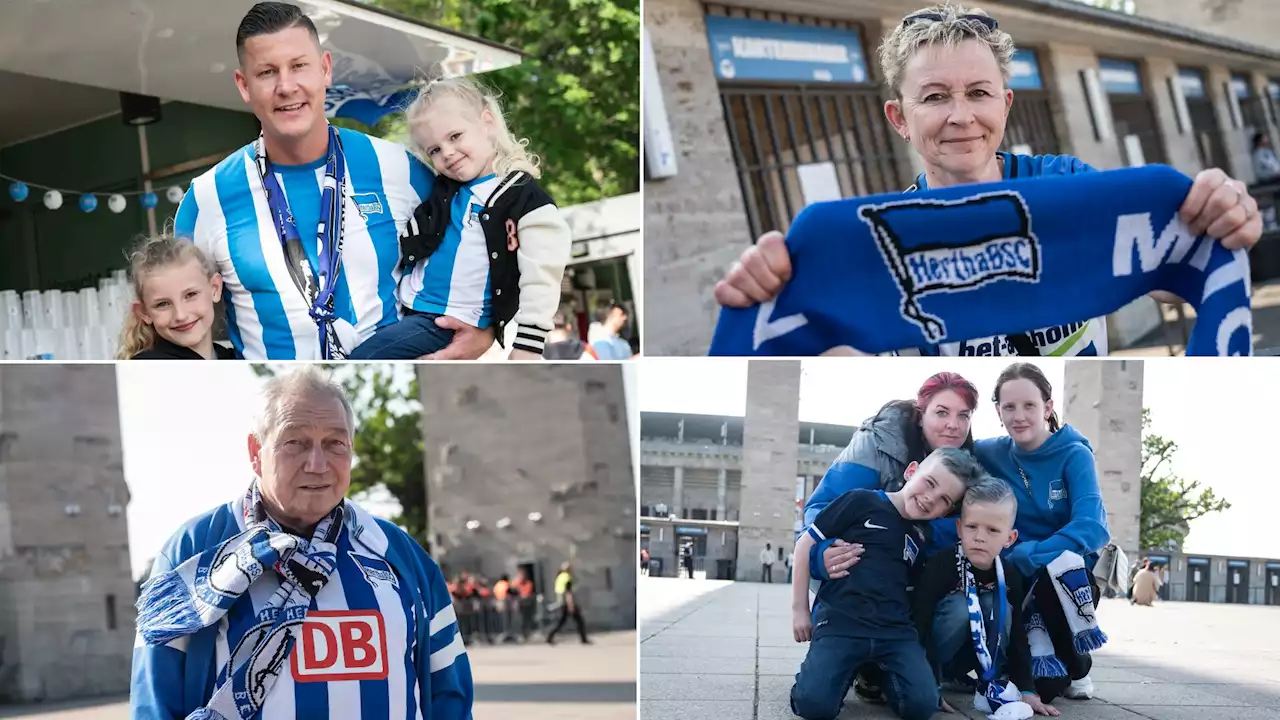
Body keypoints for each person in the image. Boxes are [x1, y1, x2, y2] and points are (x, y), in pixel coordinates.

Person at [713, 3, 1263, 357]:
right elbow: (837, 359)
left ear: (1005, 104)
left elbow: (1169, 274)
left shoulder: (1069, 188)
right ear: (898, 118)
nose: (961, 116)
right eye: (934, 97)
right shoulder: (876, 241)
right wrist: (772, 296)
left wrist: (1214, 219)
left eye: (979, 93)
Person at [130, 367, 470, 719]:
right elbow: (155, 700)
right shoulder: (194, 551)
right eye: (296, 443)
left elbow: (449, 691)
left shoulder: (399, 553)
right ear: (255, 451)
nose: (318, 464)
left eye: (335, 444)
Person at [176, 2, 492, 360]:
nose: (286, 86)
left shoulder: (402, 169)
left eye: (299, 66)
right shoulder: (205, 201)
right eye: (266, 73)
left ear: (325, 69)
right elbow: (179, 319)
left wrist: (486, 329)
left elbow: (477, 249)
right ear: (244, 85)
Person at [349, 76, 571, 360]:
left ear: (487, 122)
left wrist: (527, 346)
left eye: (455, 137)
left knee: (364, 359)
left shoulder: (522, 199)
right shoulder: (445, 190)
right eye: (435, 150)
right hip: (407, 308)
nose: (448, 153)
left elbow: (542, 275)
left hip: (443, 321)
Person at [806, 371, 980, 704]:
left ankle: (913, 671)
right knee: (817, 697)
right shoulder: (876, 442)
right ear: (921, 411)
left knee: (960, 602)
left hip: (912, 573)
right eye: (941, 412)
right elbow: (823, 506)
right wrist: (821, 553)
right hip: (856, 565)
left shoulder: (968, 465)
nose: (953, 425)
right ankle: (845, 659)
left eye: (964, 416)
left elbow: (968, 528)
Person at [789, 448, 983, 720]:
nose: (930, 499)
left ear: (946, 511)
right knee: (814, 706)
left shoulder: (922, 535)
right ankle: (834, 674)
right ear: (912, 471)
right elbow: (803, 545)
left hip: (894, 633)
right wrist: (800, 610)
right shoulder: (860, 501)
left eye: (943, 500)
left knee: (923, 707)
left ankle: (881, 676)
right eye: (930, 483)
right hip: (841, 623)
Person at [974, 362, 1110, 702]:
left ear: (1048, 407)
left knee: (1052, 577)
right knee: (1044, 691)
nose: (1019, 415)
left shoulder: (1074, 455)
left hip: (1065, 576)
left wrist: (1027, 553)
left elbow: (1091, 528)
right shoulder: (989, 452)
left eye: (1029, 405)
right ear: (998, 411)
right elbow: (942, 452)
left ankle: (1079, 664)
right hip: (1016, 577)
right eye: (1009, 407)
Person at [912, 478, 1050, 717]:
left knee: (995, 603)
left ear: (1010, 538)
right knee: (961, 606)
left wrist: (1027, 688)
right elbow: (918, 625)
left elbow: (1018, 634)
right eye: (972, 527)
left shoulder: (1009, 575)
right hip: (936, 653)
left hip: (974, 658)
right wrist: (926, 684)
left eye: (993, 530)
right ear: (959, 528)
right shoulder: (940, 566)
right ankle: (940, 674)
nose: (979, 537)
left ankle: (996, 682)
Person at [119, 235, 239, 360]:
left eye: (190, 295)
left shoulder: (236, 360)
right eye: (163, 304)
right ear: (144, 312)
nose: (180, 315)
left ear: (215, 288)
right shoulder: (147, 369)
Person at [547, 562, 590, 645]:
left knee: (561, 621)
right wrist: (571, 605)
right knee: (579, 621)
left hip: (561, 602)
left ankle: (550, 636)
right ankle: (584, 639)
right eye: (570, 568)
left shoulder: (559, 577)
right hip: (567, 602)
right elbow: (568, 592)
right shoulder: (567, 578)